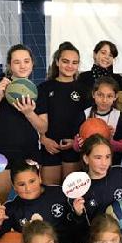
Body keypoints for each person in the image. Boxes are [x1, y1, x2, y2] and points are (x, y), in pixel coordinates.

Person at [0, 44, 47, 208]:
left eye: (26, 61)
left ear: (32, 64)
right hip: (0, 152)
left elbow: (43, 128)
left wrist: (29, 113)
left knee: (32, 203)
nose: (22, 65)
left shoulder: (38, 91)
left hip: (29, 153)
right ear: (9, 65)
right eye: (17, 62)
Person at [37, 42, 91, 184]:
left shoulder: (84, 90)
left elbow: (89, 122)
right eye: (65, 61)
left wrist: (76, 143)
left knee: (71, 194)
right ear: (57, 62)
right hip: (50, 147)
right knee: (50, 193)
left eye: (74, 63)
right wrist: (43, 139)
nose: (70, 66)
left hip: (74, 148)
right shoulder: (44, 88)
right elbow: (38, 120)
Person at [79, 77, 122, 167]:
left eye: (109, 96)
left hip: (112, 166)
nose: (104, 100)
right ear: (93, 94)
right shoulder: (84, 114)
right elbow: (76, 146)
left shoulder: (119, 117)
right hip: (89, 169)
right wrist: (79, 144)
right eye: (100, 95)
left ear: (115, 97)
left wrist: (110, 141)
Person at [76, 40, 122, 113]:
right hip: (87, 121)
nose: (107, 57)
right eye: (103, 53)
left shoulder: (119, 79)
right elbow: (78, 104)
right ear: (95, 54)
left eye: (110, 55)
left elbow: (120, 109)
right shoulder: (83, 77)